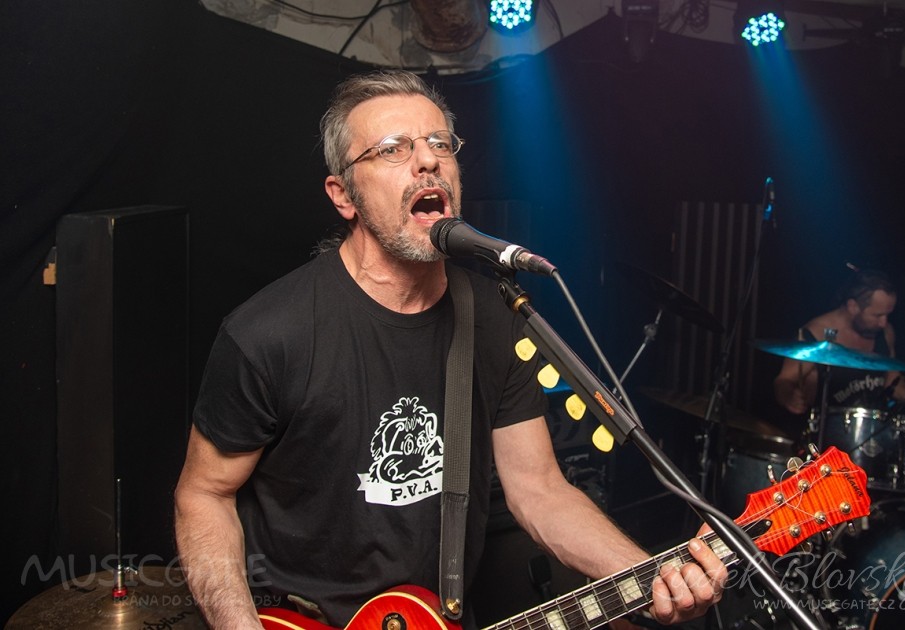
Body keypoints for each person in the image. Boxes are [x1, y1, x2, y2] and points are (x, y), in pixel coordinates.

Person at [174, 69, 726, 630]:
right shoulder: (269, 333)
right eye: (393, 149)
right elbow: (204, 495)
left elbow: (539, 491)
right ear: (344, 196)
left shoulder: (494, 317)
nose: (427, 161)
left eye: (440, 143)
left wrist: (651, 575)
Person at [773, 268, 905, 420]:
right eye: (877, 315)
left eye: (888, 315)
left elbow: (891, 378)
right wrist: (789, 397)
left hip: (870, 431)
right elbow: (784, 380)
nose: (883, 323)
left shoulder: (885, 332)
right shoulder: (814, 334)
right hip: (825, 431)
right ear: (853, 306)